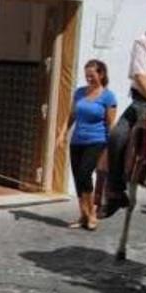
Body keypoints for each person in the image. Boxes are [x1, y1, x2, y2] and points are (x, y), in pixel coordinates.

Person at [103, 6, 146, 218]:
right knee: (118, 136)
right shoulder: (143, 42)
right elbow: (139, 75)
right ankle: (116, 190)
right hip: (145, 99)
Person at [56, 59, 116, 230]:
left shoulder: (108, 96)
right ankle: (83, 215)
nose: (88, 78)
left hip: (96, 141)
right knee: (78, 179)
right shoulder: (80, 93)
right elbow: (71, 115)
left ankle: (92, 214)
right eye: (86, 75)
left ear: (101, 74)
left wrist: (110, 147)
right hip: (77, 141)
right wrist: (62, 133)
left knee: (84, 173)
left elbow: (110, 123)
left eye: (92, 75)